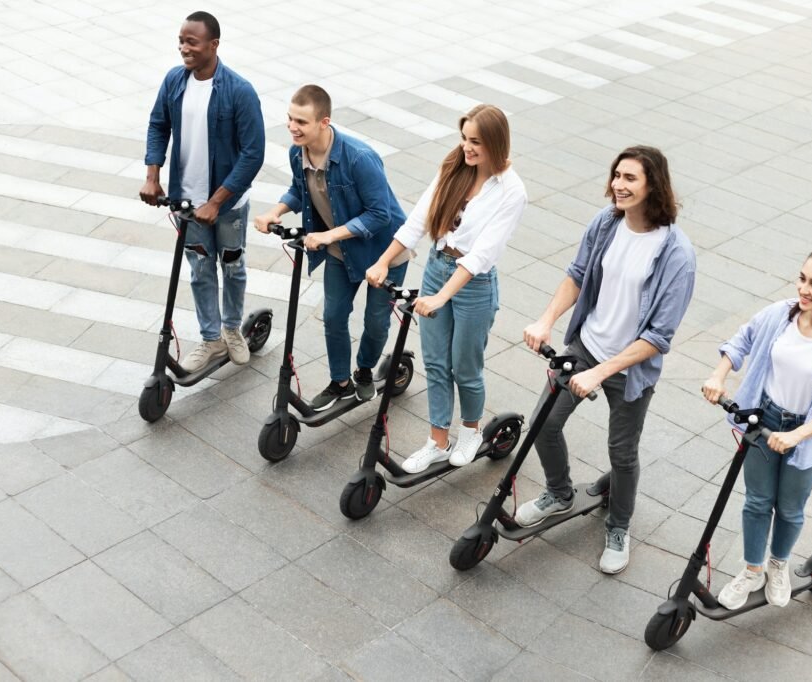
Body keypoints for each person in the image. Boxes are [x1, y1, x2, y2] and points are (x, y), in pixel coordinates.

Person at [517, 146, 696, 575]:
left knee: (622, 452)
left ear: (654, 185)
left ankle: (618, 526)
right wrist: (546, 320)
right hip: (586, 346)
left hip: (630, 367)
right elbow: (578, 274)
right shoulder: (606, 223)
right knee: (544, 423)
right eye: (617, 175)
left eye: (630, 178)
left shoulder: (676, 255)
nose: (619, 184)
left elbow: (658, 337)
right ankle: (559, 493)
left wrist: (602, 371)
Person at [703, 246, 812, 609]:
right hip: (764, 419)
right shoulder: (780, 315)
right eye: (802, 279)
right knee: (757, 501)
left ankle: (778, 566)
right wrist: (719, 375)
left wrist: (798, 434)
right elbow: (741, 340)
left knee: (790, 507)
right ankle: (752, 570)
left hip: (807, 435)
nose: (803, 290)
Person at [366, 105, 527, 472]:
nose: (467, 148)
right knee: (437, 363)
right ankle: (438, 440)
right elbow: (419, 220)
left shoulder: (512, 192)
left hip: (474, 284)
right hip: (437, 268)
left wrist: (441, 297)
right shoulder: (453, 167)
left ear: (497, 144)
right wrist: (383, 260)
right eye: (464, 138)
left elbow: (481, 255)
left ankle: (470, 430)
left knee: (465, 366)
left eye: (476, 142)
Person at [255, 85, 408, 410]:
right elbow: (300, 190)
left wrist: (328, 236)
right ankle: (340, 381)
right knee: (334, 315)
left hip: (384, 254)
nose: (293, 127)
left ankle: (364, 372)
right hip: (342, 251)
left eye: (302, 122)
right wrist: (275, 212)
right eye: (290, 118)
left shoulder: (359, 158)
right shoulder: (298, 153)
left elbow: (380, 214)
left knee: (376, 321)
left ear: (324, 122)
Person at [140, 11, 265, 372]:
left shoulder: (239, 91)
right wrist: (153, 175)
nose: (183, 48)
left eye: (191, 41)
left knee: (233, 266)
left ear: (214, 45)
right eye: (181, 40)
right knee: (199, 269)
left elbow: (253, 153)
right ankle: (211, 338)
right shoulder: (174, 82)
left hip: (227, 205)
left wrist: (216, 201)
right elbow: (157, 124)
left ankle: (232, 330)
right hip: (186, 201)